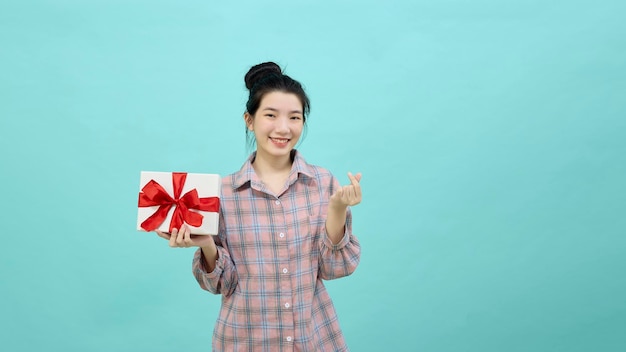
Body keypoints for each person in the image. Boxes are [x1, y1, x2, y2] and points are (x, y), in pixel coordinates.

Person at [156, 62, 362, 351]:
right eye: (270, 115)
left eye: (294, 117)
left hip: (312, 339)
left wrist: (337, 209)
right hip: (244, 341)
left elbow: (334, 268)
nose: (283, 128)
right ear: (249, 120)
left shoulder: (323, 182)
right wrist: (206, 244)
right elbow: (221, 284)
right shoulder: (222, 193)